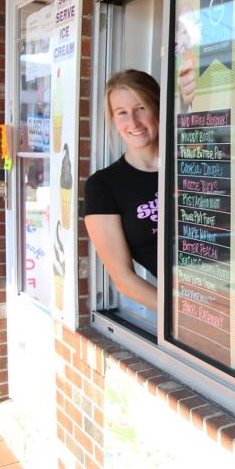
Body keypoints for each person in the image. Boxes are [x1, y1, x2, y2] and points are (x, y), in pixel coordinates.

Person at [84, 70, 160, 310]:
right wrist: (185, 318)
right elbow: (124, 280)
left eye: (141, 108)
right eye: (122, 113)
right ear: (114, 121)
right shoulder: (104, 186)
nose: (134, 123)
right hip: (198, 315)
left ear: (158, 107)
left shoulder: (193, 166)